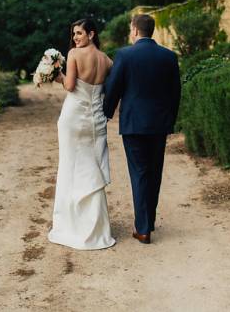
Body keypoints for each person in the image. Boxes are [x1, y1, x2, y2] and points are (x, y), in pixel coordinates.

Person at [102, 13, 180, 244]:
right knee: (154, 172)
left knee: (139, 173)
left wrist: (105, 113)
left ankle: (143, 228)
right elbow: (175, 92)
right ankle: (149, 221)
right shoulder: (168, 56)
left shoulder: (124, 55)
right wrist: (170, 119)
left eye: (130, 29)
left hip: (134, 124)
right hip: (159, 124)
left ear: (135, 30)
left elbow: (113, 88)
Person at [48, 18, 116, 250]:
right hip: (96, 121)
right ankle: (97, 228)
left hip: (74, 118)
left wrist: (54, 75)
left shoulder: (75, 55)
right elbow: (109, 87)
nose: (75, 37)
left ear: (91, 33)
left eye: (79, 33)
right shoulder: (107, 60)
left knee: (69, 167)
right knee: (91, 167)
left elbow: (69, 86)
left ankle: (72, 225)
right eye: (74, 34)